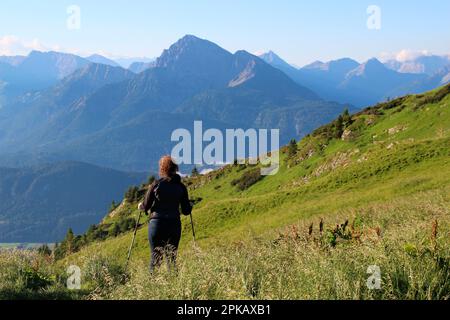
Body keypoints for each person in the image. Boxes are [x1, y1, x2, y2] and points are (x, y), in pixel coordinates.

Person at [138, 156, 192, 273]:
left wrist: (141, 206)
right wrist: (190, 205)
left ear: (162, 168)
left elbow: (145, 206)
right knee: (172, 258)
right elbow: (186, 211)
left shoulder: (156, 184)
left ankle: (151, 285)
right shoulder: (181, 187)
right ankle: (173, 285)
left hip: (156, 224)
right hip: (173, 224)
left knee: (156, 258)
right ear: (175, 168)